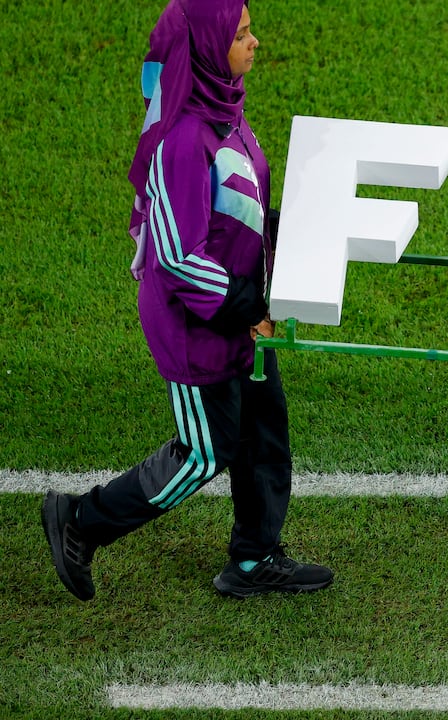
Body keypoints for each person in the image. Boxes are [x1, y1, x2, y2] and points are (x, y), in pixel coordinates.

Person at [41, 0, 333, 600]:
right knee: (206, 451)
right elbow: (176, 258)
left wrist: (293, 233)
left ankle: (254, 560)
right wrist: (250, 304)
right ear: (206, 48)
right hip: (198, 324)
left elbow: (239, 205)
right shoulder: (183, 140)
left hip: (241, 311)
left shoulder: (228, 110)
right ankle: (81, 520)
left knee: (265, 432)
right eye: (242, 34)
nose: (256, 43)